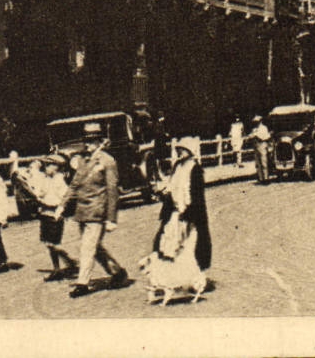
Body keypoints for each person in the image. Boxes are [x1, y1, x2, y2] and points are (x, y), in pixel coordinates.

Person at [141, 143, 211, 304]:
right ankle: (171, 280)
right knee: (167, 246)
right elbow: (172, 187)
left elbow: (196, 195)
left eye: (183, 149)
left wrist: (188, 213)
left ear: (190, 150)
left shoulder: (195, 169)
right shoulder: (177, 166)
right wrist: (165, 194)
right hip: (174, 213)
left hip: (189, 215)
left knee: (187, 247)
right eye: (178, 150)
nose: (179, 152)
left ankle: (191, 279)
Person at [67, 128, 128, 297]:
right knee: (95, 247)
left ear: (100, 141)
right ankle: (117, 272)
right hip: (83, 211)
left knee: (87, 248)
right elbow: (77, 183)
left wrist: (111, 218)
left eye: (92, 141)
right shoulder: (85, 160)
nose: (88, 145)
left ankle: (82, 283)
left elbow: (112, 190)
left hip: (97, 212)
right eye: (86, 141)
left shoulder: (108, 161)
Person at [31, 154, 76, 279]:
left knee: (53, 242)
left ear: (56, 167)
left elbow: (65, 197)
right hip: (45, 212)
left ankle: (68, 262)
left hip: (55, 213)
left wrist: (61, 210)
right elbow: (40, 192)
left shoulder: (59, 180)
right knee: (48, 242)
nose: (46, 168)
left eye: (49, 165)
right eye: (46, 166)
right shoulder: (46, 179)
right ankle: (57, 268)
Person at [250, 116, 272, 184]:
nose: (256, 123)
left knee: (264, 162)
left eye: (257, 121)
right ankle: (260, 178)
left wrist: (256, 135)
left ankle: (266, 178)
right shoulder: (254, 129)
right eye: (255, 122)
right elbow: (251, 136)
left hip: (262, 144)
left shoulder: (264, 128)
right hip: (256, 146)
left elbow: (265, 137)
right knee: (258, 163)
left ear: (260, 121)